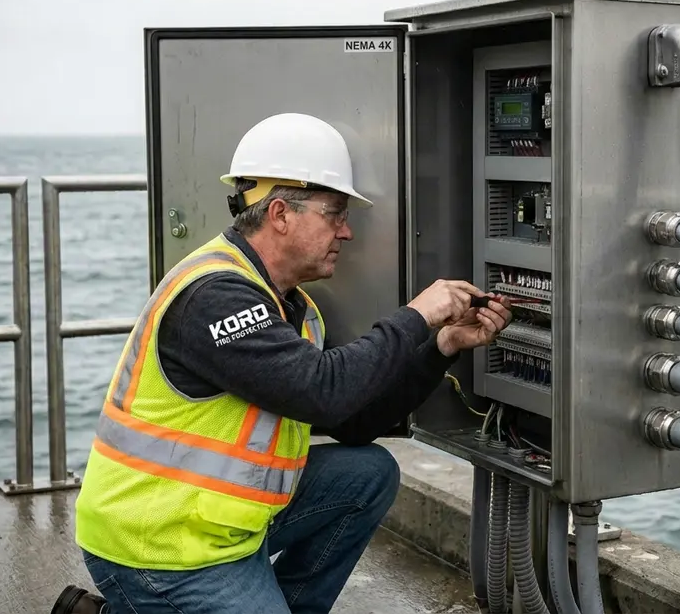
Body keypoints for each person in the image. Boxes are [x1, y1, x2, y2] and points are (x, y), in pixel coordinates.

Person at [50, 112, 511, 614]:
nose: (347, 232)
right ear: (280, 214)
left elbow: (351, 419)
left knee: (367, 472)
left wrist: (439, 346)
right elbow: (321, 389)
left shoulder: (292, 305)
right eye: (335, 213)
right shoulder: (216, 295)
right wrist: (419, 314)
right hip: (158, 545)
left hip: (222, 525)